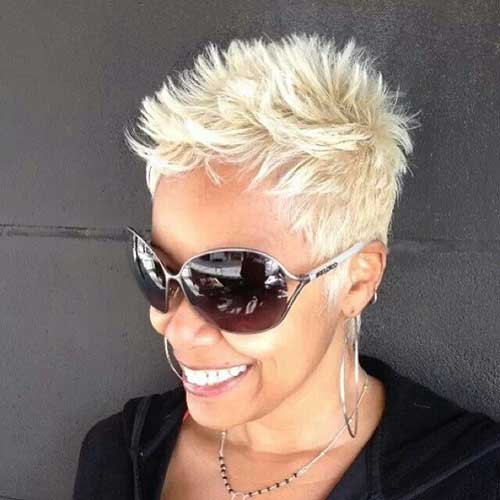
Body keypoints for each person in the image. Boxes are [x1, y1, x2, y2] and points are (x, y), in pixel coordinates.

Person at [73, 33, 500, 500]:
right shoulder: (118, 456)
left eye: (235, 285)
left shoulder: (468, 478)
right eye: (157, 269)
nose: (175, 327)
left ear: (357, 282)